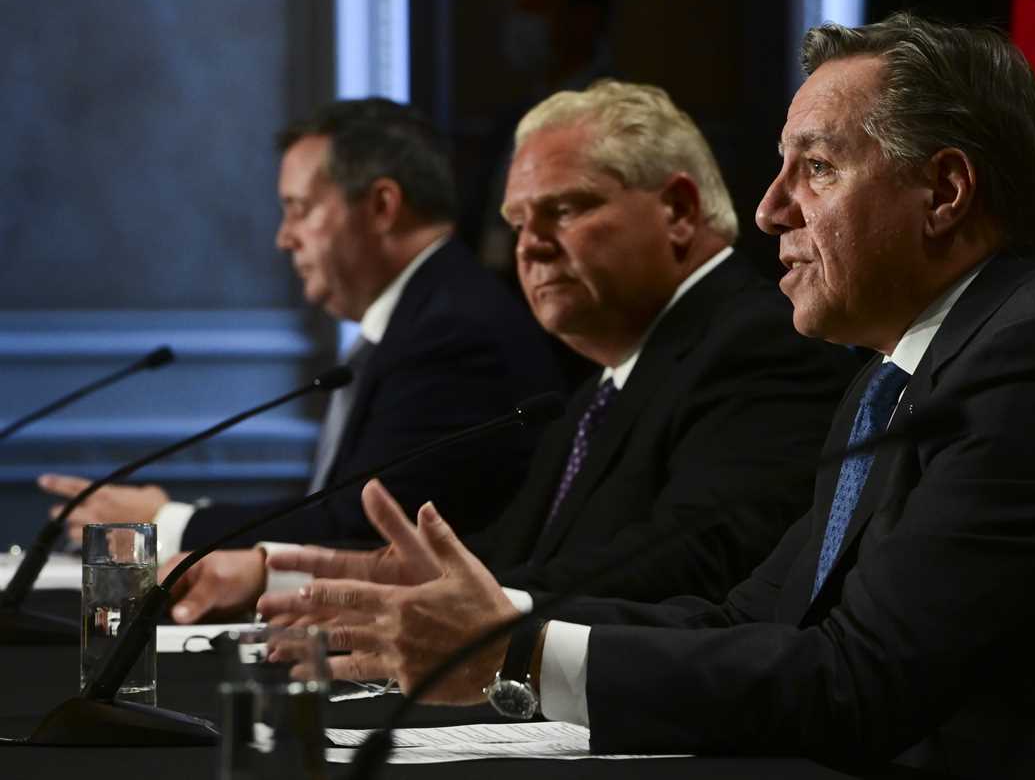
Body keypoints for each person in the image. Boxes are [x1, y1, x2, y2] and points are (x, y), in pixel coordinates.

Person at [260, 15, 1035, 779]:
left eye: (816, 169)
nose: (766, 209)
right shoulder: (908, 367)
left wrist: (510, 648)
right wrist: (491, 613)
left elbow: (856, 683)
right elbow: (748, 614)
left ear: (944, 191)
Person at [159, 80, 860, 621]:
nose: (530, 244)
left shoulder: (758, 344)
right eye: (518, 222)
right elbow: (497, 558)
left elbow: (687, 560)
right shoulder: (599, 387)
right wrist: (285, 572)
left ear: (677, 210)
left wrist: (467, 610)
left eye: (564, 209)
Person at [40, 98, 562, 620]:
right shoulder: (423, 318)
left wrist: (167, 520)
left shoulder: (454, 334)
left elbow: (359, 527)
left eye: (299, 208)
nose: (284, 237)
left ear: (382, 206)